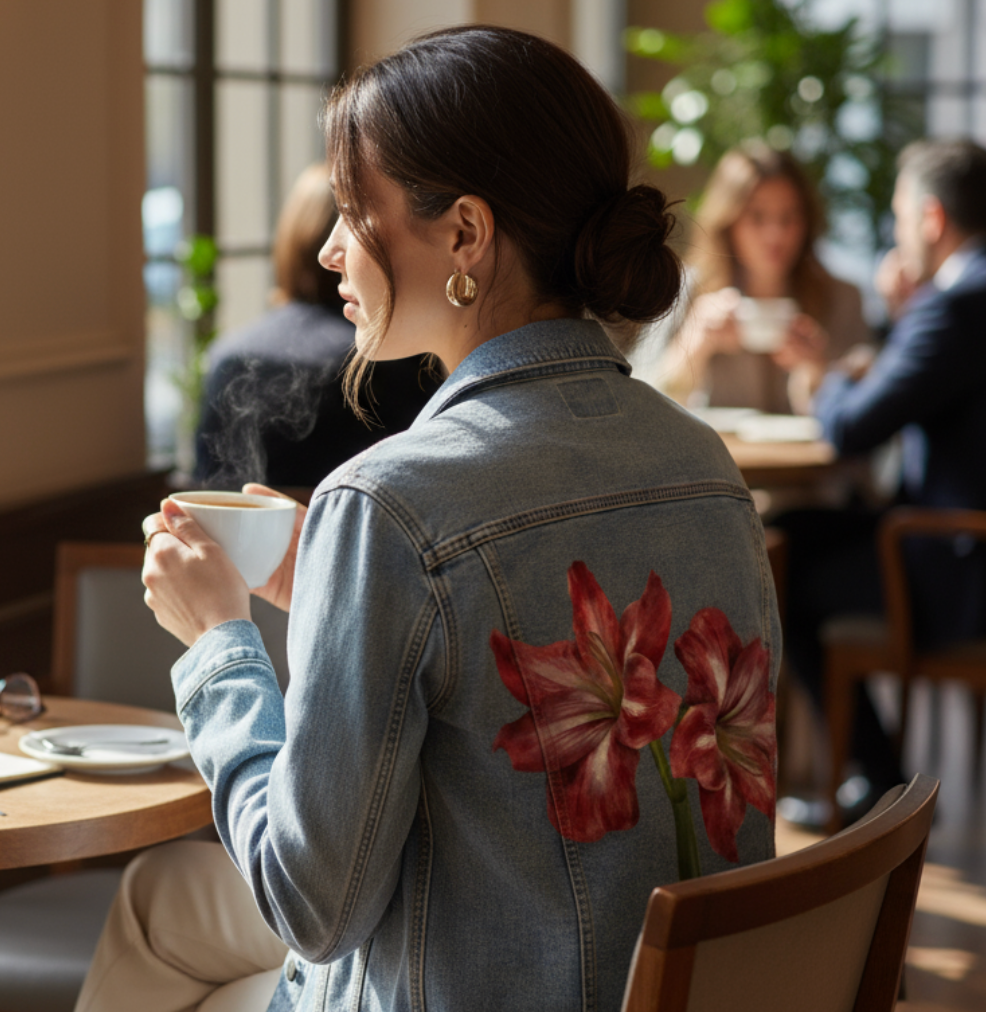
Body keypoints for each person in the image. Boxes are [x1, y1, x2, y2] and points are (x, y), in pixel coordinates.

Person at [78, 26, 780, 1012]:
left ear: (463, 234)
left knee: (174, 941)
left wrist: (220, 642)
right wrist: (324, 579)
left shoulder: (394, 501)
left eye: (353, 212)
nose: (327, 250)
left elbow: (310, 905)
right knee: (165, 900)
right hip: (662, 982)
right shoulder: (700, 460)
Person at [776, 137, 986, 822]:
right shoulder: (957, 301)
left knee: (774, 567)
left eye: (898, 218)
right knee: (790, 534)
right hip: (955, 539)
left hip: (954, 567)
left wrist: (821, 377)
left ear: (930, 220)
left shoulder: (955, 306)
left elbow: (852, 427)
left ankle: (880, 779)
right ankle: (877, 775)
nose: (895, 234)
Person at [194, 163, 439, 490]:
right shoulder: (394, 357)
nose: (330, 253)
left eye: (353, 218)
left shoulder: (229, 353)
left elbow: (207, 480)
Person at [649, 142, 870, 415]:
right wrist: (695, 344)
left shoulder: (842, 298)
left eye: (789, 217)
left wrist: (818, 369)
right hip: (721, 457)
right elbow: (650, 405)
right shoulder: (687, 290)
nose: (775, 235)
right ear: (728, 221)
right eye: (757, 217)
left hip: (809, 459)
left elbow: (867, 411)